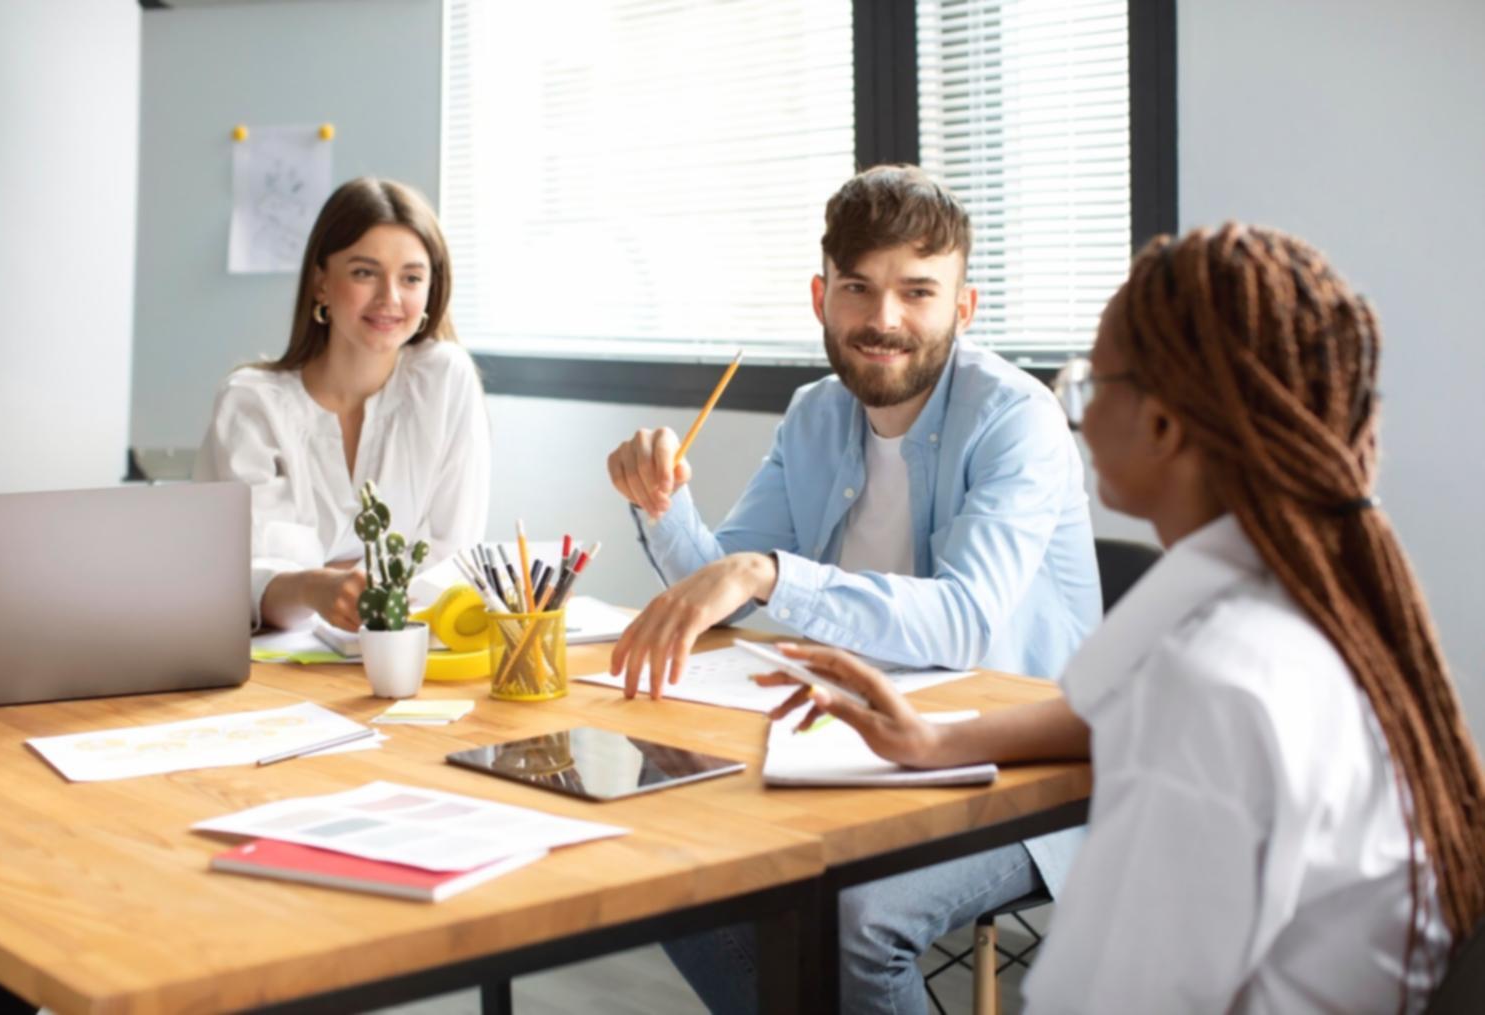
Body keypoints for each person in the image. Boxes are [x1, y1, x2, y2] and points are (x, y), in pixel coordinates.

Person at [764, 224, 1485, 1013]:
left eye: (1091, 381)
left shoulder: (1214, 686)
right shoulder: (1292, 605)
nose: (1073, 410)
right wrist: (936, 740)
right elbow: (1103, 709)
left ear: (1162, 426)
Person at [615, 166, 1101, 1013]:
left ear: (964, 306)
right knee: (668, 845)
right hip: (854, 741)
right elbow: (721, 580)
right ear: (820, 297)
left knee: (854, 918)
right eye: (858, 288)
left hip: (1025, 768)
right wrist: (663, 508)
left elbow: (963, 620)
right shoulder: (814, 412)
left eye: (918, 291)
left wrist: (765, 572)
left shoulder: (1014, 417)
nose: (883, 319)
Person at [195, 177, 490, 631]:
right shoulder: (251, 403)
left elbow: (455, 558)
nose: (390, 298)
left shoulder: (445, 379)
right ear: (321, 284)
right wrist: (312, 589)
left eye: (411, 277)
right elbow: (236, 580)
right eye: (364, 272)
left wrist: (297, 584)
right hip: (273, 670)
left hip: (411, 652)